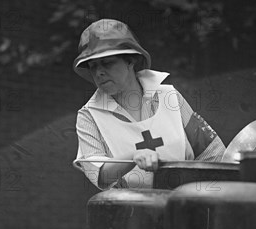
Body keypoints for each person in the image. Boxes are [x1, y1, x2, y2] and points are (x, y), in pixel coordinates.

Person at [72, 19, 225, 189]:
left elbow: (213, 154)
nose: (99, 72)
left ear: (130, 61)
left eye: (107, 63)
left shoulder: (170, 96)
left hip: (186, 204)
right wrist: (133, 156)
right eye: (93, 66)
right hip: (131, 211)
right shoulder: (89, 116)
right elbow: (99, 175)